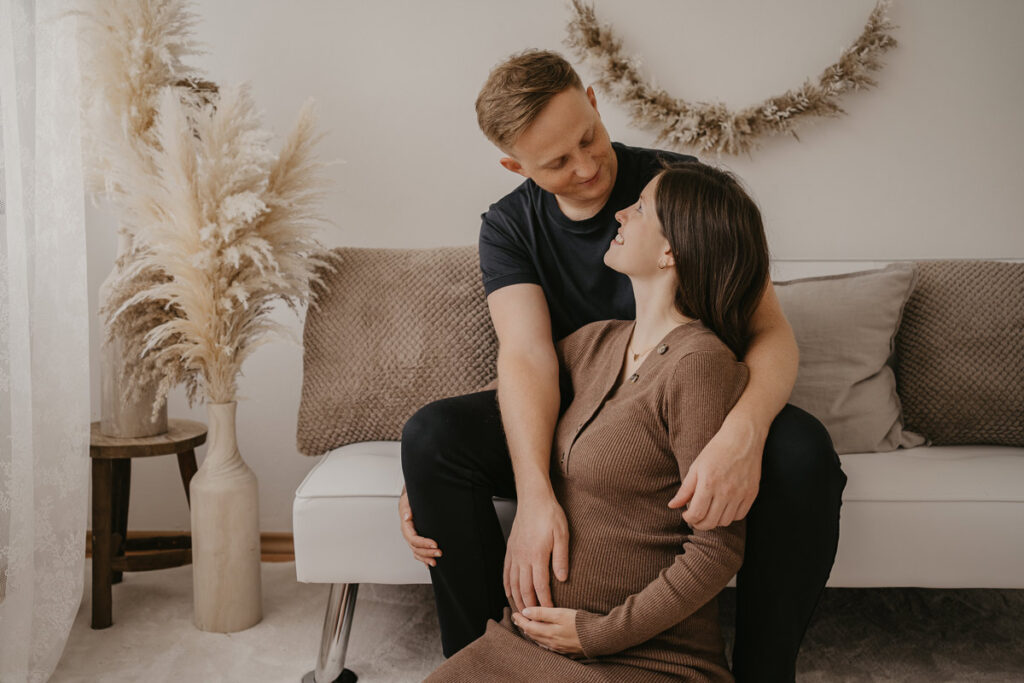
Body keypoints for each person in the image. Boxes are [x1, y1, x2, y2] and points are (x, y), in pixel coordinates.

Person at [401, 50, 847, 682]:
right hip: (585, 415)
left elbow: (771, 333)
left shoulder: (676, 188)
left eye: (588, 137)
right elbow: (528, 357)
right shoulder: (509, 226)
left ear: (592, 98)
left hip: (697, 406)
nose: (587, 168)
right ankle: (490, 655)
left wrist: (741, 434)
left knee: (803, 453)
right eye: (557, 163)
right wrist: (525, 495)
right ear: (515, 166)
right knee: (432, 438)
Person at [425, 160, 765, 682]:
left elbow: (718, 549)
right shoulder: (598, 342)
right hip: (526, 643)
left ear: (671, 250)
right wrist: (421, 481)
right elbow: (506, 401)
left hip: (650, 658)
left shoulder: (699, 366)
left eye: (641, 208)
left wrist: (598, 633)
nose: (621, 213)